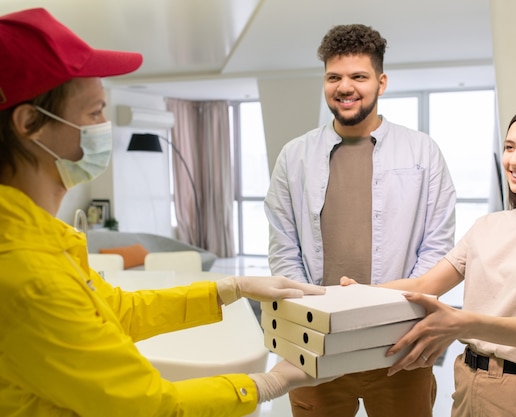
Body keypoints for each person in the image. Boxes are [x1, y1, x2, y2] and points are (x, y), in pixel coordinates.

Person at [0, 8, 333, 417]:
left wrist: (231, 288)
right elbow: (152, 406)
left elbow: (119, 312)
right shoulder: (28, 274)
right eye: (94, 112)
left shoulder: (37, 241)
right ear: (30, 122)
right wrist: (268, 384)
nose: (105, 125)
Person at [343, 103, 516, 416]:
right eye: (510, 147)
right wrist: (361, 294)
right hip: (468, 383)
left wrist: (463, 322)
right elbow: (426, 284)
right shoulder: (488, 225)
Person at [264, 24, 456, 417]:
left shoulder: (422, 152)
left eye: (358, 76)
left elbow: (437, 248)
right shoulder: (294, 155)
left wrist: (393, 313)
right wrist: (311, 317)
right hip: (316, 344)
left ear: (381, 82)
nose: (344, 86)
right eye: (334, 77)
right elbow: (284, 246)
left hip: (398, 345)